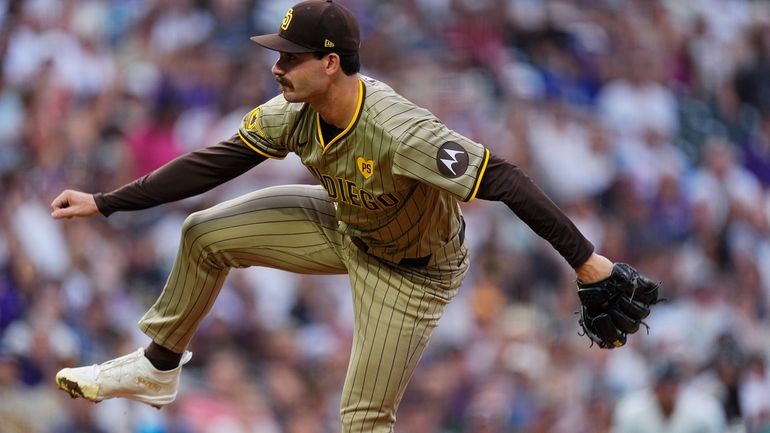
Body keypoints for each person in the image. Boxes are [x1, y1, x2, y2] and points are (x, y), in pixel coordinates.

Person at [50, 1, 620, 431]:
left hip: (414, 270)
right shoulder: (294, 109)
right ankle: (157, 366)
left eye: (289, 57)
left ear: (329, 63)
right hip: (346, 224)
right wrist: (106, 202)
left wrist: (587, 262)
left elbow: (503, 179)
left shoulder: (399, 130)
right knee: (204, 233)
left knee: (362, 419)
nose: (277, 67)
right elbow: (214, 163)